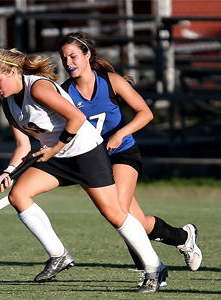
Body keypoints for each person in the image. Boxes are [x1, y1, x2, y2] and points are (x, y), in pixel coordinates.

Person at [0, 48, 167, 293]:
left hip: (85, 152)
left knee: (114, 214)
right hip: (56, 156)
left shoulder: (38, 88)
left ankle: (155, 268)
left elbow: (77, 117)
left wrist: (54, 148)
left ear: (14, 72)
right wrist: (9, 170)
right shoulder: (9, 104)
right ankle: (58, 255)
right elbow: (23, 145)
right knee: (19, 195)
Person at [57, 31, 202, 283]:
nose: (69, 62)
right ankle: (183, 237)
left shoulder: (111, 81)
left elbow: (145, 113)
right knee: (138, 222)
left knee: (119, 212)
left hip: (123, 153)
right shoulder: (65, 92)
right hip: (94, 160)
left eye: (73, 56)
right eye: (64, 58)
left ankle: (152, 272)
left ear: (87, 55)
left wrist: (119, 134)